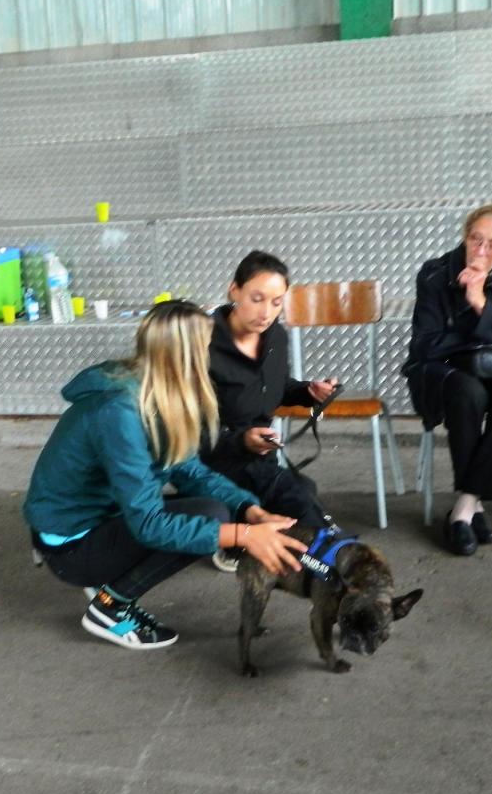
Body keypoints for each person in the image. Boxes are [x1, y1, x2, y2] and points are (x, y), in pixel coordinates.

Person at [22, 300, 306, 650]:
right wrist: (243, 535)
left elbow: (188, 470)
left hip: (101, 516)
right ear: (183, 356)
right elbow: (148, 524)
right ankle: (111, 606)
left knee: (214, 509)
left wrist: (249, 509)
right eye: (210, 349)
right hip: (70, 547)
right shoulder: (120, 411)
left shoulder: (157, 391)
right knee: (211, 521)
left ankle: (108, 572)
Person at [403, 204, 492, 556]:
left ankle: (465, 505)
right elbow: (426, 342)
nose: (480, 250)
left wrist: (479, 303)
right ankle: (471, 509)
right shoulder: (435, 275)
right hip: (444, 372)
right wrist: (484, 341)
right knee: (467, 391)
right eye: (474, 238)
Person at [202, 251, 338, 571]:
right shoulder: (203, 343)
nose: (266, 312)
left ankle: (246, 537)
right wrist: (241, 441)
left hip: (259, 455)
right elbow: (189, 429)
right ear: (233, 290)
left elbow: (273, 388)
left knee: (304, 490)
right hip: (214, 460)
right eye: (257, 298)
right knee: (297, 497)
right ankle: (332, 561)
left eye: (277, 302)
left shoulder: (275, 336)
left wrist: (308, 392)